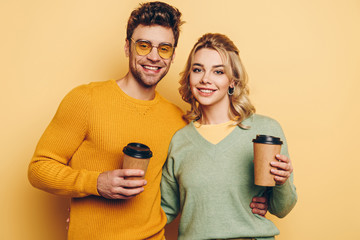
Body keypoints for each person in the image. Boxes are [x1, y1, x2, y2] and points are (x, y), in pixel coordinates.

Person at [28, 2, 268, 239]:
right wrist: (96, 183)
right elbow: (39, 169)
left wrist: (257, 199)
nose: (154, 57)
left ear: (173, 56)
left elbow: (195, 183)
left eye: (164, 48)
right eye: (144, 45)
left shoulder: (178, 120)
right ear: (127, 47)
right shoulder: (85, 99)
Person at [160, 33, 298, 240]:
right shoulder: (179, 140)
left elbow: (282, 208)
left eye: (218, 71)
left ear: (232, 81)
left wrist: (282, 181)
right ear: (189, 77)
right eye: (198, 70)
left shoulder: (266, 130)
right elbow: (164, 211)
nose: (205, 79)